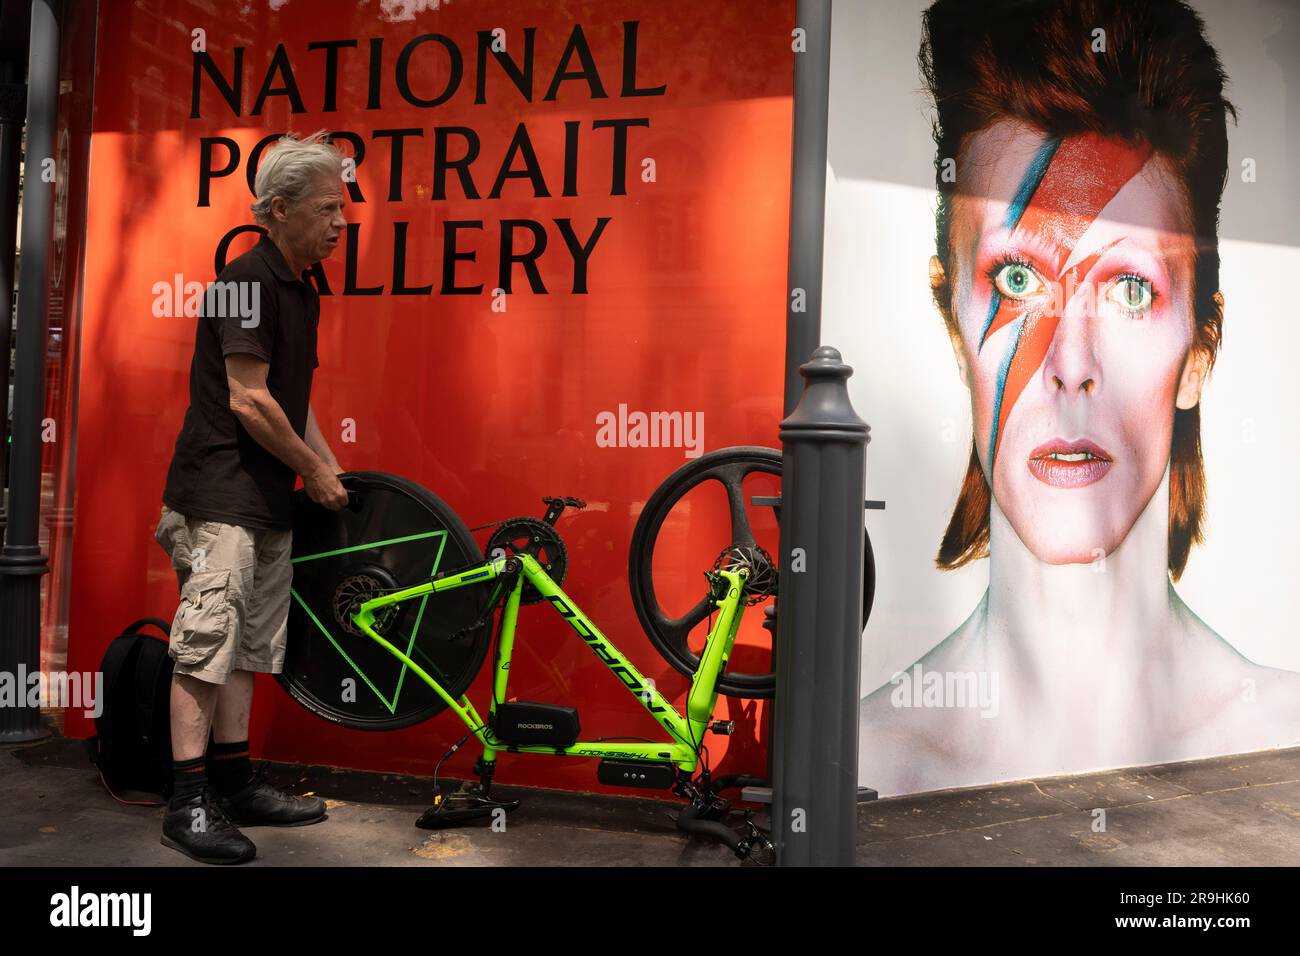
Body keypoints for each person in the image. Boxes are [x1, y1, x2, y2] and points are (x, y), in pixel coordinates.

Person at [860, 0, 1300, 796]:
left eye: (1130, 289)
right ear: (953, 325)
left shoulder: (1286, 739)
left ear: (1199, 350)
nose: (1070, 364)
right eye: (1019, 281)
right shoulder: (864, 764)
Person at [155, 131, 351, 862]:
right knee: (204, 647)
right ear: (278, 209)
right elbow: (248, 401)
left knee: (246, 650)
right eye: (328, 208)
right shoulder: (245, 281)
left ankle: (235, 784)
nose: (341, 222)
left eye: (343, 208)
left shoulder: (302, 288)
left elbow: (291, 403)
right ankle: (187, 802)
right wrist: (313, 470)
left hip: (265, 498)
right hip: (220, 496)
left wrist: (331, 472)